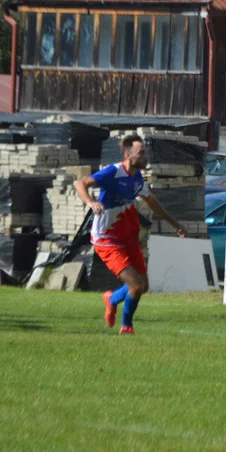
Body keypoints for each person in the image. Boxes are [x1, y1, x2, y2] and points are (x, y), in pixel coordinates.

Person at [74, 134, 187, 335]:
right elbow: (80, 184)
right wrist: (90, 202)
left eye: (146, 153)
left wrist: (175, 224)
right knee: (135, 286)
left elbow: (151, 201)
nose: (146, 157)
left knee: (143, 286)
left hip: (128, 238)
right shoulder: (113, 172)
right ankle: (127, 326)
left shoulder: (136, 178)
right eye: (141, 153)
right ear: (128, 155)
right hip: (107, 240)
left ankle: (111, 299)